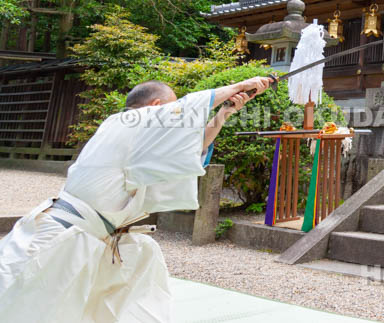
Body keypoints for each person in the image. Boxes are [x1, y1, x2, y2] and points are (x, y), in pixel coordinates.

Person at [0, 75, 273, 322]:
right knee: (27, 308)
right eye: (169, 108)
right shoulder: (122, 122)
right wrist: (238, 86)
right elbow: (182, 110)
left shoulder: (138, 140)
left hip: (95, 239)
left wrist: (222, 114)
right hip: (62, 237)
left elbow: (189, 149)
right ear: (155, 106)